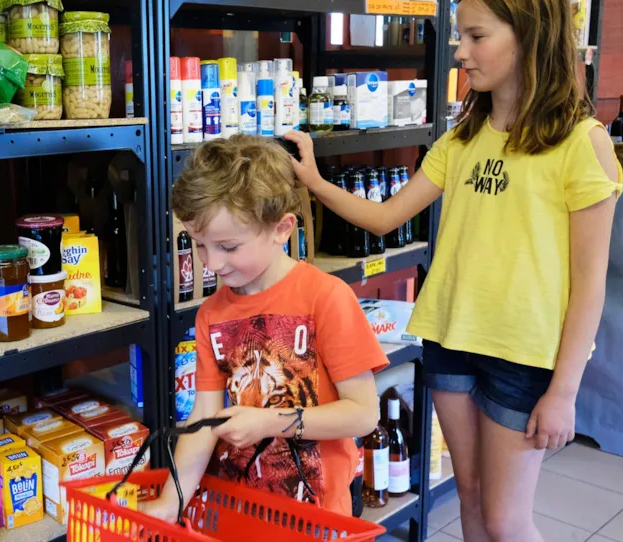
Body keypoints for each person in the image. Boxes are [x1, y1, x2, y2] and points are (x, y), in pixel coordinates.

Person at [284, 0, 622, 539]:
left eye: (475, 36)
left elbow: (589, 287)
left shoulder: (583, 144)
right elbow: (385, 216)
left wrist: (563, 392)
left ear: (529, 36)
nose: (459, 52)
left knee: (507, 521)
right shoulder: (462, 137)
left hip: (526, 354)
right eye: (458, 36)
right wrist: (316, 182)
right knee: (472, 502)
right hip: (452, 337)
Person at [142, 135, 388, 522]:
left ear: (281, 228)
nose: (212, 263)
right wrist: (170, 502)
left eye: (229, 246)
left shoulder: (326, 298)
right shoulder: (211, 313)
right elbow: (203, 420)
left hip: (317, 516)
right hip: (242, 512)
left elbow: (363, 414)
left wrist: (271, 423)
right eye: (199, 245)